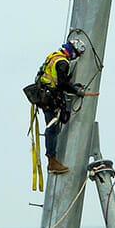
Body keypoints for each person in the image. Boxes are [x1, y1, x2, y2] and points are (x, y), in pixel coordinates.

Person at [27, 36, 87, 175]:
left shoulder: (54, 56)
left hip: (44, 95)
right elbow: (62, 83)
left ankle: (52, 159)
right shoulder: (62, 62)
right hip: (50, 99)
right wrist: (77, 90)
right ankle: (52, 161)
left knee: (54, 126)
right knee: (52, 129)